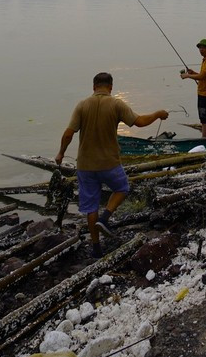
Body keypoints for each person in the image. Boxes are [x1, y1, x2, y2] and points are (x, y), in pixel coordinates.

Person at [55, 72, 169, 255]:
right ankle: (106, 217)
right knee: (122, 188)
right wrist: (157, 114)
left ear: (93, 87)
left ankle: (96, 247)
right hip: (109, 163)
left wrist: (61, 153)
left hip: (85, 166)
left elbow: (69, 134)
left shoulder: (82, 105)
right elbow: (139, 122)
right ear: (110, 87)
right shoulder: (116, 104)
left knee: (91, 207)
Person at [181, 39, 206, 138]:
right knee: (204, 120)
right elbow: (203, 76)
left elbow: (201, 77)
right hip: (203, 94)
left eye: (203, 48)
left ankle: (205, 141)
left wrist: (188, 76)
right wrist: (193, 73)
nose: (201, 50)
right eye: (200, 48)